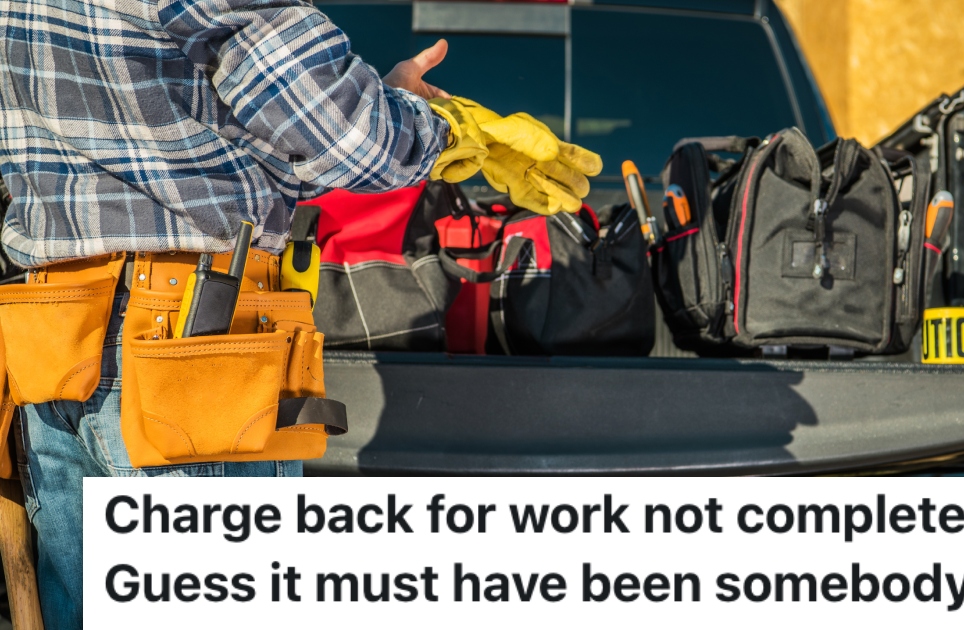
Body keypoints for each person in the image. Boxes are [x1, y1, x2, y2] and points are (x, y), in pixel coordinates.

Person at [0, 0, 599, 627]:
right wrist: (451, 129)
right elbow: (343, 135)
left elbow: (211, 156)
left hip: (53, 340)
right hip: (195, 357)